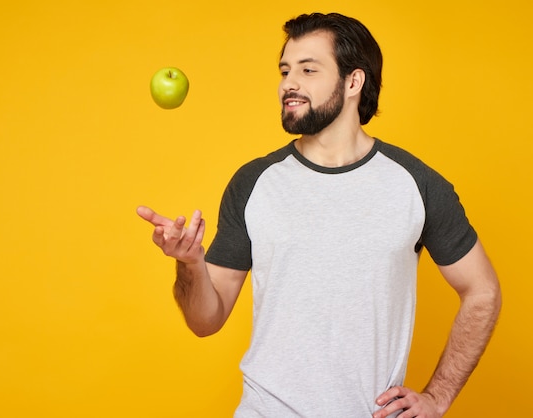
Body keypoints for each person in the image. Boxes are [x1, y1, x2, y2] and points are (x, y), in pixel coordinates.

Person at [137, 12, 501, 418]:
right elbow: (205, 319)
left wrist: (438, 397)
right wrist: (189, 264)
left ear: (353, 82)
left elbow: (482, 291)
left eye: (308, 70)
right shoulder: (254, 182)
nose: (289, 83)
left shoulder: (416, 184)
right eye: (285, 70)